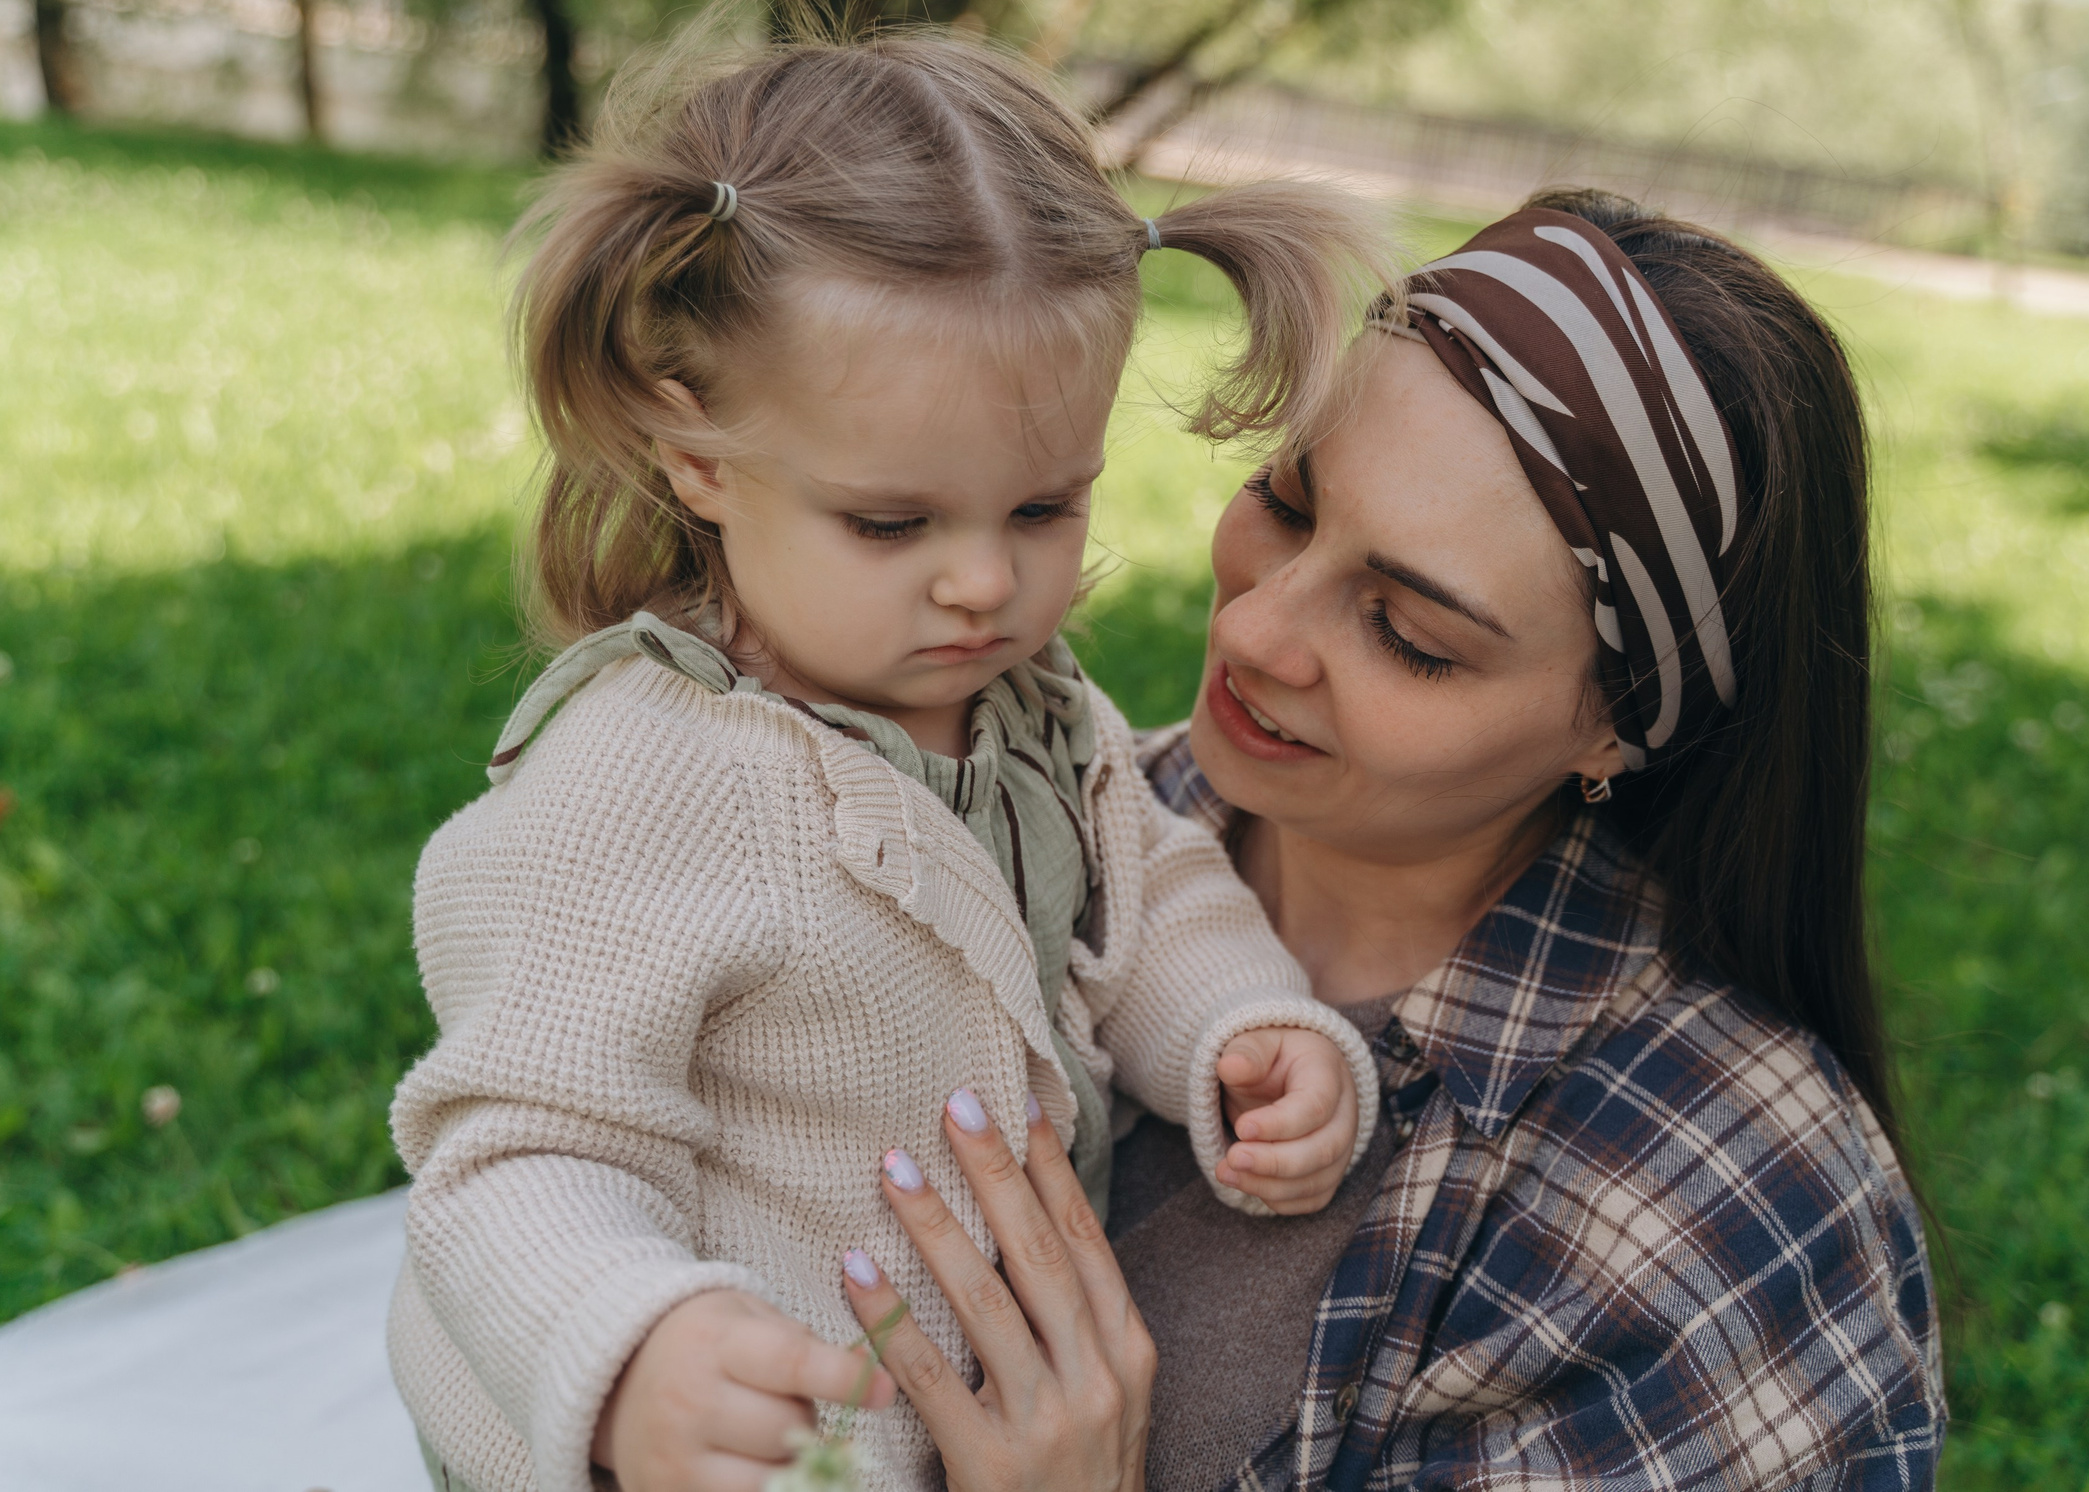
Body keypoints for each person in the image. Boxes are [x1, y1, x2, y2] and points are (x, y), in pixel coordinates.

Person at [386, 4, 1398, 1492]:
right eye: (891, 523)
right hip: (694, 1443)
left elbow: (1149, 887)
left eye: (1044, 509)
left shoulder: (1035, 711)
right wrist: (628, 1350)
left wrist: (1242, 1031)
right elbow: (516, 1151)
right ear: (697, 460)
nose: (984, 582)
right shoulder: (641, 778)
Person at [831, 190, 1945, 1490]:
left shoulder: (1713, 1216)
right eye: (1288, 504)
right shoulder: (1007, 827)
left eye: (1411, 636)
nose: (1255, 633)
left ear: (1619, 728)